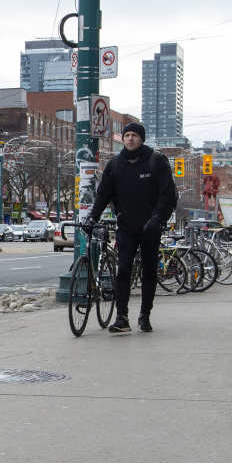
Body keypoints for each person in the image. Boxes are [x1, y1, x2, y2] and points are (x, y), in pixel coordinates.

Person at [86, 122, 178, 333]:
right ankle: (122, 317)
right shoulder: (115, 165)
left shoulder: (156, 161)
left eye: (134, 135)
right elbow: (103, 194)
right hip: (126, 226)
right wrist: (93, 217)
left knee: (149, 272)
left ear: (141, 139)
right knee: (123, 270)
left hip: (150, 226)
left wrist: (157, 218)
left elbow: (167, 193)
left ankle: (145, 315)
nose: (130, 139)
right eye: (126, 135)